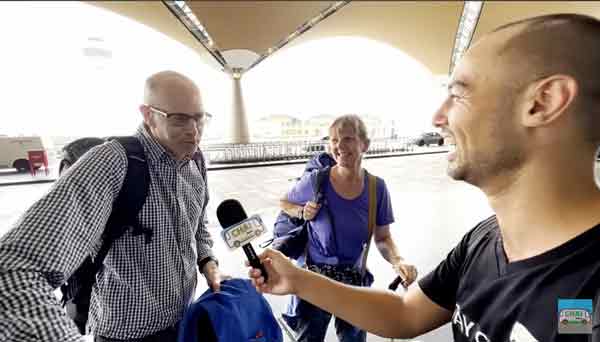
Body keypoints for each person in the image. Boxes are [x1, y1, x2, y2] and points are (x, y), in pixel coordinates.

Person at [250, 14, 600, 342]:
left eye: (459, 94)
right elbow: (406, 313)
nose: (437, 117)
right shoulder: (483, 241)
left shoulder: (589, 290)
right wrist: (296, 280)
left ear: (543, 102)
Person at [0, 71, 226, 342]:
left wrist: (207, 261)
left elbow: (198, 227)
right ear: (147, 114)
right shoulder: (112, 163)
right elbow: (14, 268)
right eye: (179, 119)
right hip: (127, 335)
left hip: (185, 321)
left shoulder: (196, 161)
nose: (193, 130)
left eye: (199, 118)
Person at [278, 114, 418, 342]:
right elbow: (284, 202)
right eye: (333, 140)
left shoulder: (376, 188)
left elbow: (383, 237)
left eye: (348, 139)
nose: (339, 146)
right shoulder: (316, 181)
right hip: (314, 280)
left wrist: (398, 261)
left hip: (354, 281)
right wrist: (302, 212)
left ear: (365, 144)